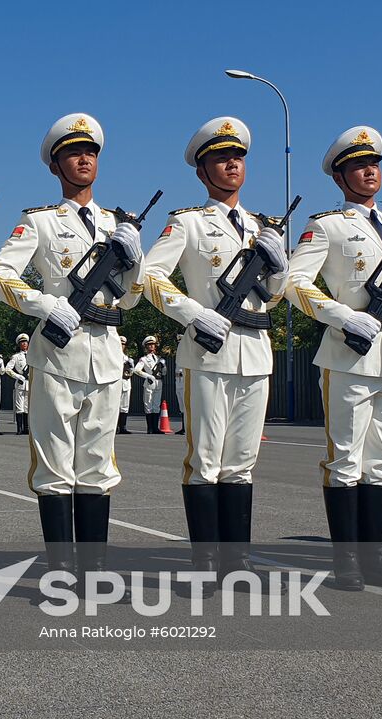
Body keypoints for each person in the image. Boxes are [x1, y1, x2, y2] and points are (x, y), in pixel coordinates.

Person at [0, 113, 143, 591]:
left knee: (97, 467)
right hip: (56, 355)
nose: (84, 159)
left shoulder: (119, 225)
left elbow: (132, 298)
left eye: (91, 152)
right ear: (56, 166)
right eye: (74, 153)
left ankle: (94, 572)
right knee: (55, 468)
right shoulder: (38, 222)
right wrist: (46, 304)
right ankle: (59, 572)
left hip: (107, 353)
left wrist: (134, 263)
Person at [134, 116, 287, 593]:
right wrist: (192, 314)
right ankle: (206, 563)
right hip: (206, 352)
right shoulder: (188, 223)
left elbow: (274, 298)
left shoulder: (264, 228)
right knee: (206, 460)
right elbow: (150, 277)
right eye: (221, 158)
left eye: (238, 156)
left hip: (255, 352)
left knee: (241, 462)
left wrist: (279, 268)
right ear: (202, 172)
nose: (232, 164)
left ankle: (236, 562)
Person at [285, 126, 382, 590]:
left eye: (374, 165)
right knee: (345, 459)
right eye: (358, 166)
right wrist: (343, 317)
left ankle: (376, 560)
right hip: (349, 353)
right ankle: (346, 562)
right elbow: (295, 285)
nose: (370, 171)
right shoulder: (326, 226)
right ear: (340, 177)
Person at [133, 335, 168, 433]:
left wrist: (164, 366)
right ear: (146, 347)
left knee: (156, 405)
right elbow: (136, 370)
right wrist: (147, 376)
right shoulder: (143, 359)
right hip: (149, 382)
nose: (151, 346)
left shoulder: (158, 359)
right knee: (148, 404)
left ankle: (156, 428)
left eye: (153, 344)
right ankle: (150, 428)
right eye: (149, 345)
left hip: (159, 382)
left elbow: (164, 373)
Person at [6, 333, 31, 435]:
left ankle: (26, 428)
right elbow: (7, 369)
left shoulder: (32, 355)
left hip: (29, 383)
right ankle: (19, 428)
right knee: (19, 406)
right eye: (22, 343)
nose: (24, 344)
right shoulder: (16, 357)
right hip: (20, 383)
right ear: (19, 345)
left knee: (27, 407)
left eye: (25, 342)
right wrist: (18, 376)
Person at [117, 339, 136, 434]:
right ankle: (115, 427)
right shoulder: (113, 356)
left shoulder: (127, 358)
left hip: (126, 383)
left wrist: (131, 367)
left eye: (124, 344)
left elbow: (131, 373)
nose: (122, 346)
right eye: (120, 344)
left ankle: (123, 427)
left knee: (124, 406)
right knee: (115, 406)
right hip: (116, 383)